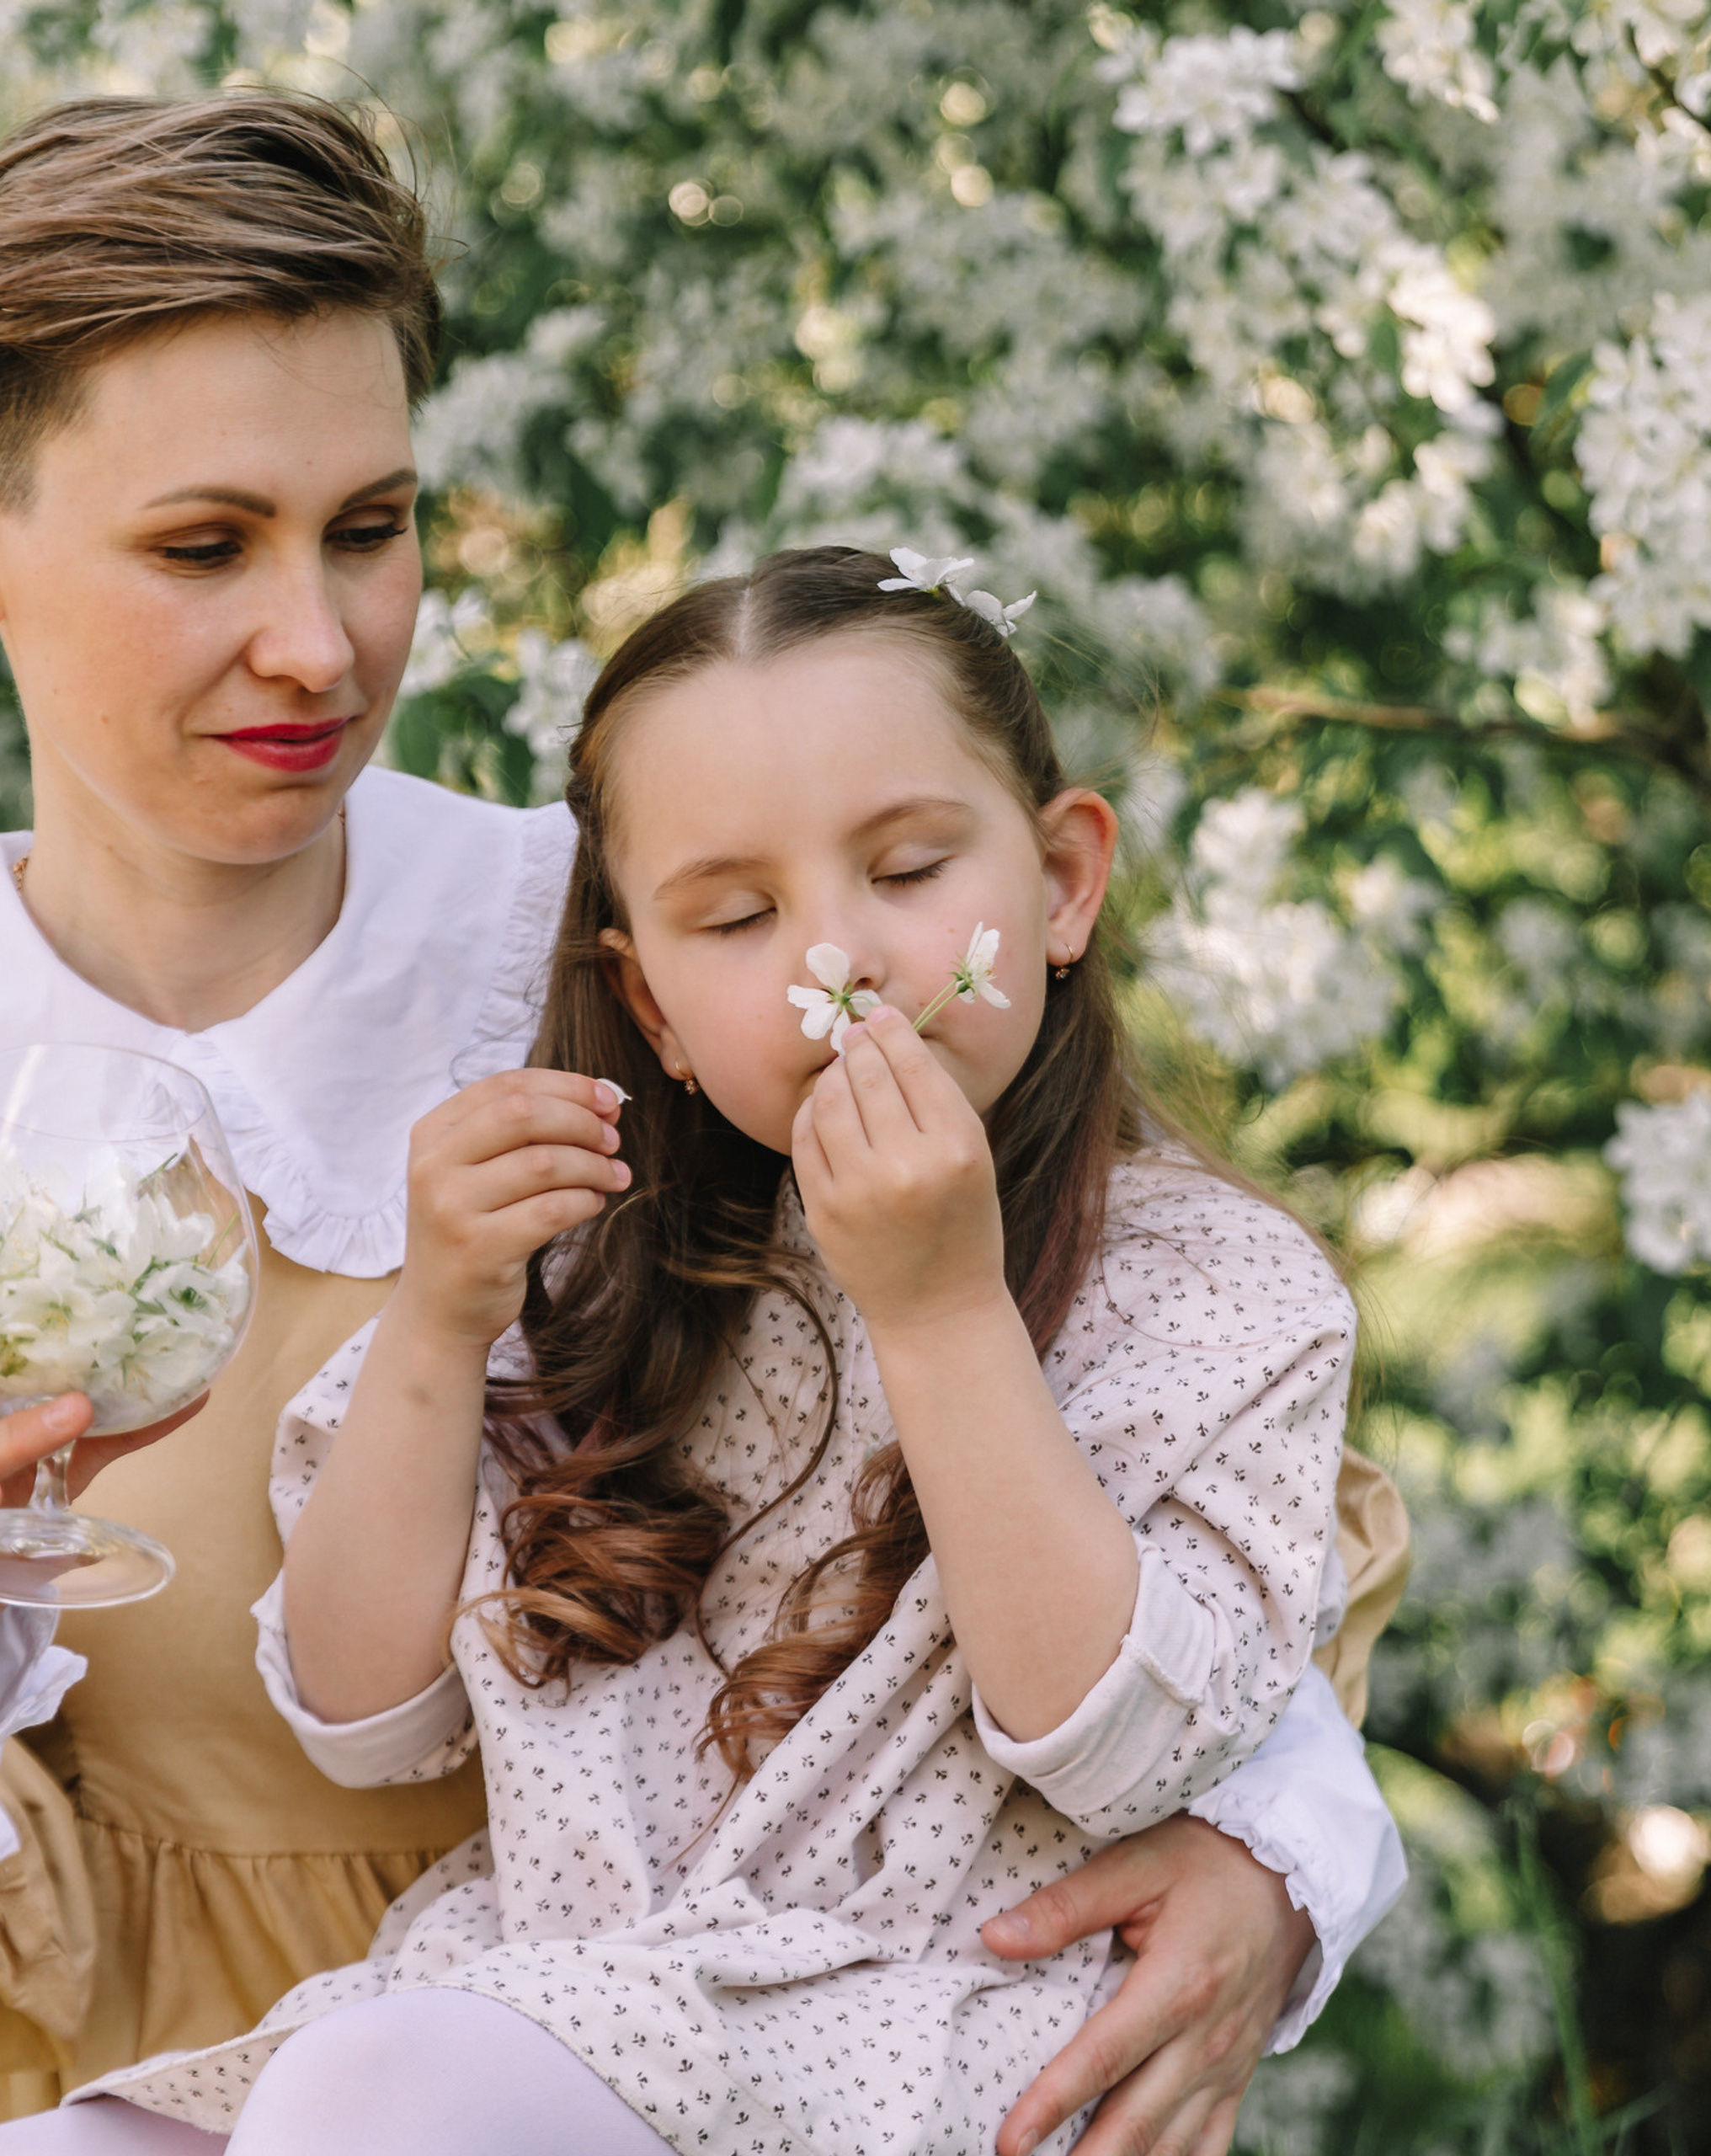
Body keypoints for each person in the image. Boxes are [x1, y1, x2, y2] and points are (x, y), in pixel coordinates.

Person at [0, 88, 1408, 2153]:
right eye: (202, 544)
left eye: (372, 527)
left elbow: (1205, 1474)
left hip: (638, 2052)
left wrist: (1283, 1861)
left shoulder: (623, 952)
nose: (317, 641)